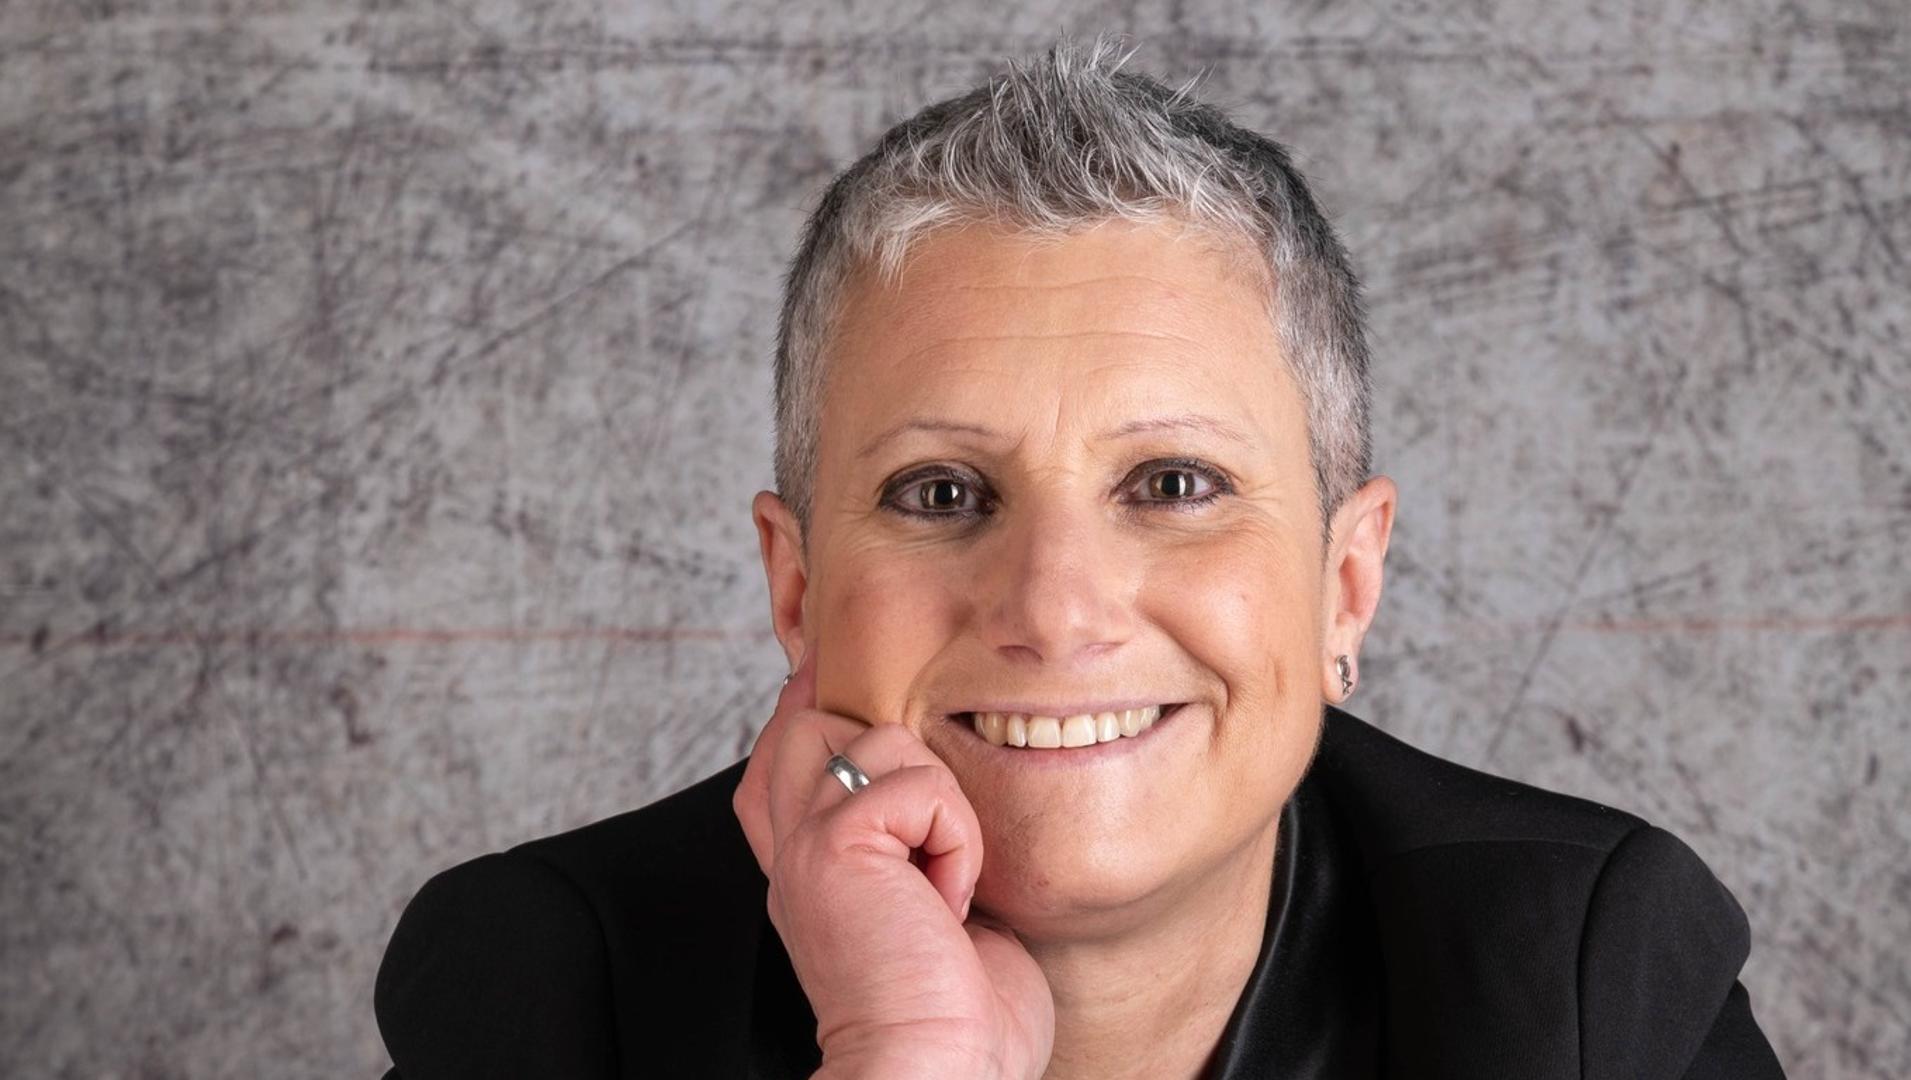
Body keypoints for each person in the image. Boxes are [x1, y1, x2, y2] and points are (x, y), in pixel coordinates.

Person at [372, 37, 1786, 1079]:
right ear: (796, 588)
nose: (1053, 610)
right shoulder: (551, 991)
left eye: (1174, 485)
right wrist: (903, 1056)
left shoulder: (1585, 976)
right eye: (941, 492)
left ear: (1344, 585)